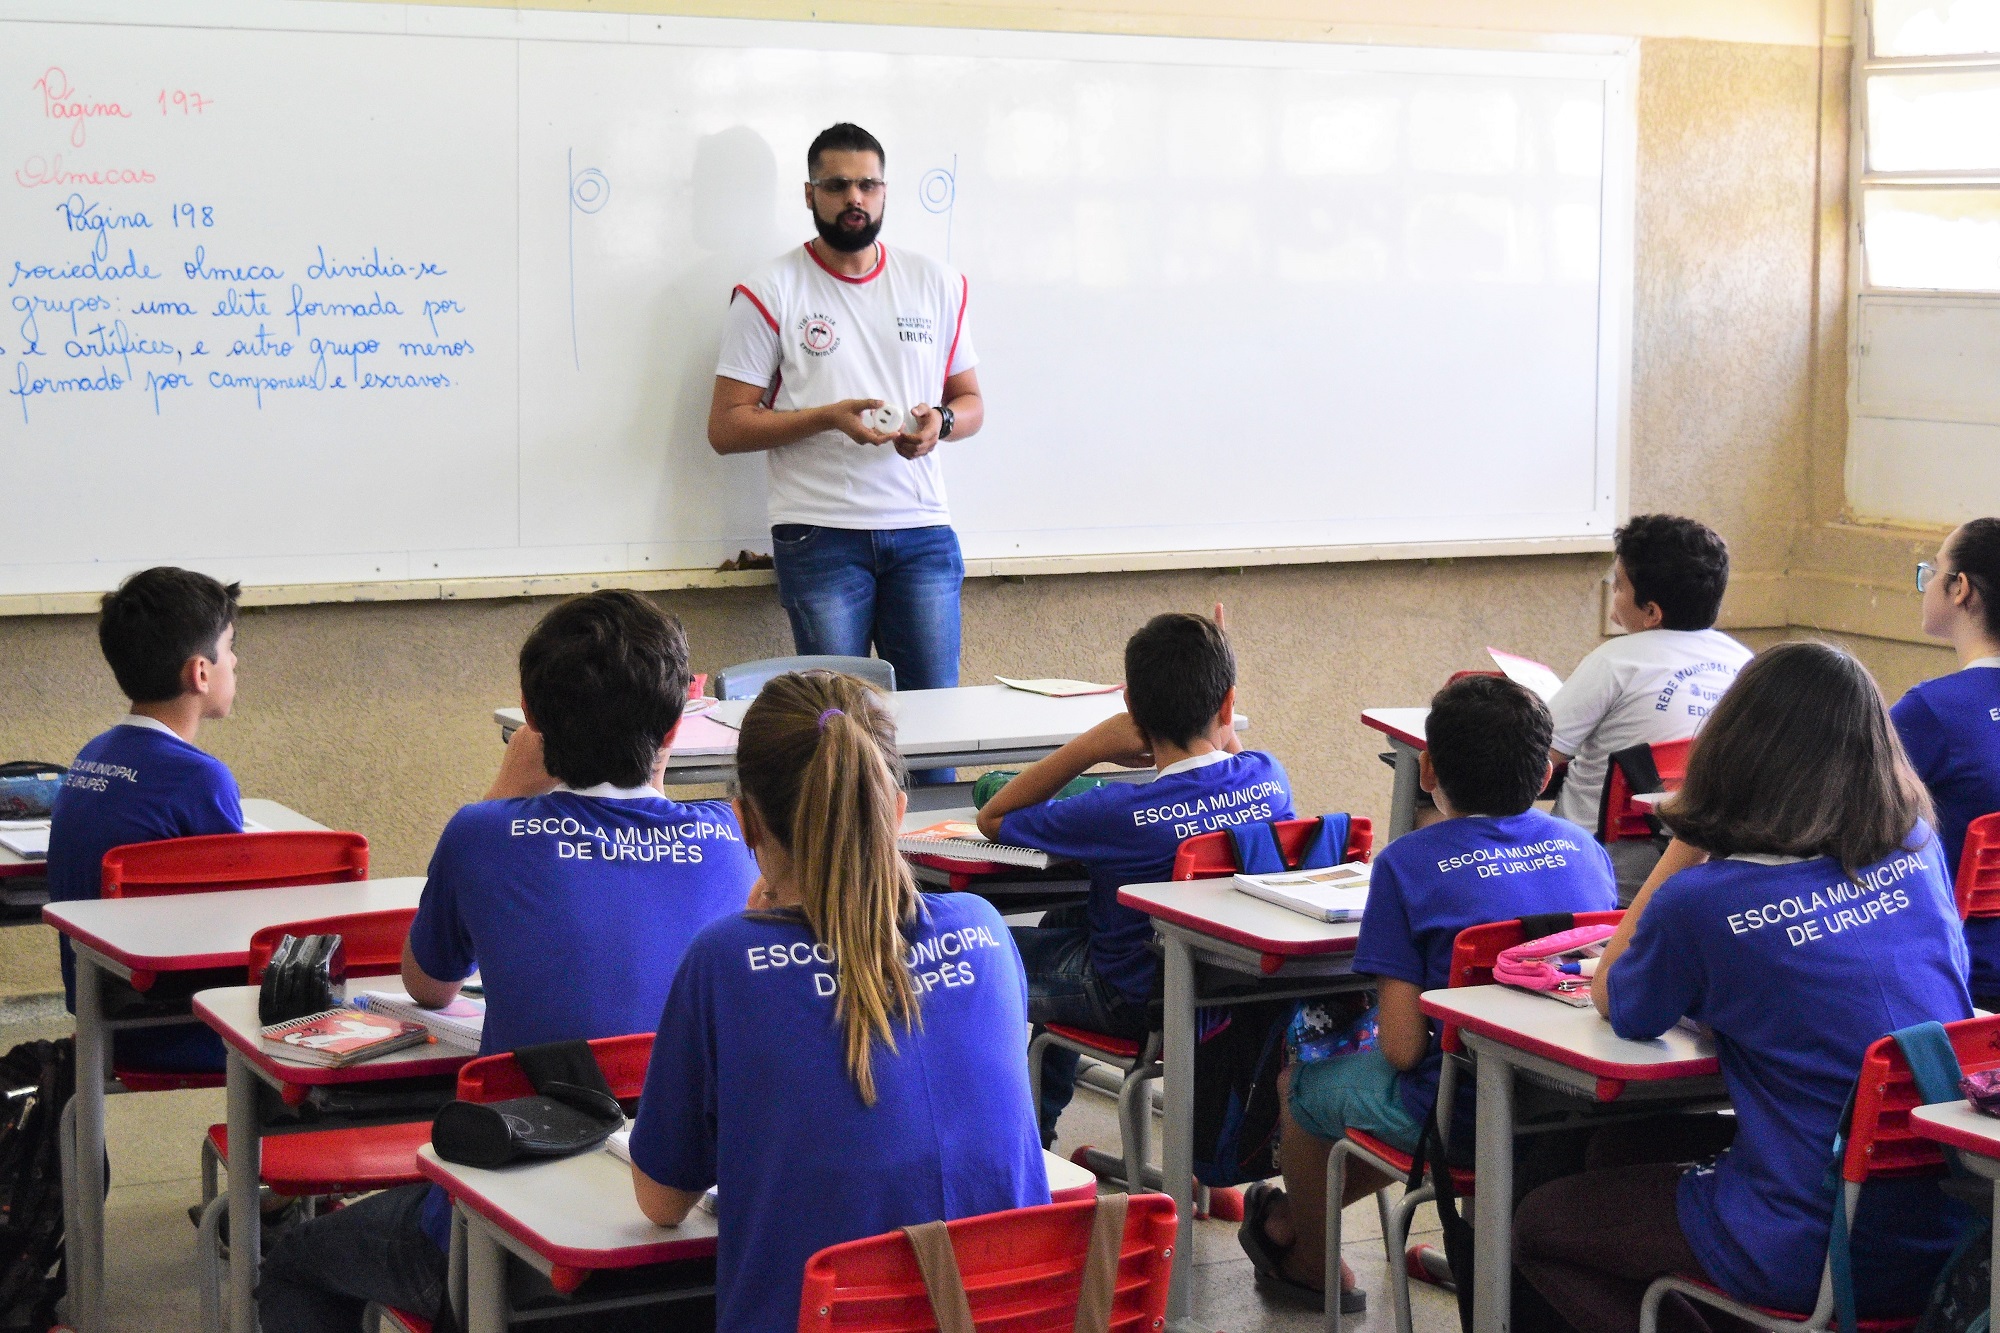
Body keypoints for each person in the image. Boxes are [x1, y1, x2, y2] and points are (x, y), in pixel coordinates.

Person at [258, 590, 759, 1332]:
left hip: (504, 1243)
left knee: (295, 1260)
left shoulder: (485, 832)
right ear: (677, 724)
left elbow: (429, 985)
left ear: (532, 719)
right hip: (692, 1246)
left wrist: (500, 792)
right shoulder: (728, 837)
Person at [1514, 641, 1972, 1333]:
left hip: (1810, 1242)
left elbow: (1614, 996)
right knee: (1613, 1151)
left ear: (1735, 747)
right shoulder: (1916, 844)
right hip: (1943, 1219)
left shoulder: (1702, 899)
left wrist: (1688, 830)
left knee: (1538, 1223)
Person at [626, 671, 1048, 1333]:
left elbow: (659, 1199)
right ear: (900, 811)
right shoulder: (985, 928)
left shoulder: (724, 961)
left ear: (745, 822)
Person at [1238, 674, 1616, 1313]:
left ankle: (1306, 1264)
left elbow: (1405, 1050)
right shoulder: (1587, 851)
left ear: (1428, 768)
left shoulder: (1406, 864)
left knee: (1300, 1088)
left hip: (1458, 1116)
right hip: (1562, 1109)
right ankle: (1289, 1224)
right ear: (1548, 775)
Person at [707, 122, 984, 771]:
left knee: (931, 732)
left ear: (885, 191)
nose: (853, 197)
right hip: (820, 537)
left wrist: (937, 424)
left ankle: (926, 871)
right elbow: (726, 426)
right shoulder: (769, 292)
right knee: (836, 735)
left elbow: (971, 404)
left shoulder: (935, 282)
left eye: (866, 184)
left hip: (922, 534)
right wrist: (828, 417)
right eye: (837, 185)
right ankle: (846, 869)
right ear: (810, 194)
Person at [976, 612, 1294, 1144]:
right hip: (1225, 993)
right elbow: (1228, 762)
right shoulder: (1269, 777)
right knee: (1067, 917)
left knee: (980, 951)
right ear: (1228, 706)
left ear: (1130, 709)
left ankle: (1033, 1143)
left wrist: (1092, 746)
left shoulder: (1116, 812)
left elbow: (993, 819)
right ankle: (1043, 1134)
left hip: (1130, 995)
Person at [45, 566, 244, 1072]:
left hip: (98, 1012)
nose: (237, 662)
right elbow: (243, 916)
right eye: (231, 647)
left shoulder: (93, 754)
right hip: (176, 1026)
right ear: (200, 672)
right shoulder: (200, 778)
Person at [1547, 515, 1750, 890]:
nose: (1612, 595)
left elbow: (1540, 757)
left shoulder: (1615, 660)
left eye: (1619, 587)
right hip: (1700, 871)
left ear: (1652, 613)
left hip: (1592, 873)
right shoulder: (1745, 665)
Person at [1892, 518, 2000, 1005]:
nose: (1927, 582)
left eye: (1932, 570)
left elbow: (1831, 819)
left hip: (1966, 973)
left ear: (1961, 589)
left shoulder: (1931, 711)